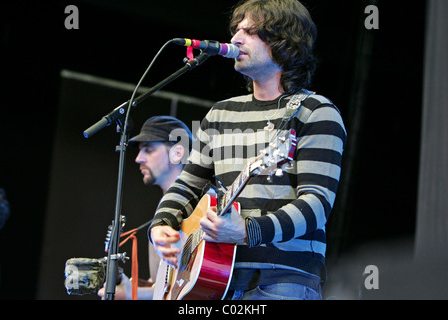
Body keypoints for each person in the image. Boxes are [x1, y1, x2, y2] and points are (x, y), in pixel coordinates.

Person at [149, 0, 347, 300]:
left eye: (251, 31)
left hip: (283, 280)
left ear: (284, 43)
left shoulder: (316, 112)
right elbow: (186, 186)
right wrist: (160, 225)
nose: (236, 38)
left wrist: (247, 231)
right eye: (236, 29)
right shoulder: (220, 114)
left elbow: (316, 205)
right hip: (215, 279)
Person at [98, 115, 194, 300]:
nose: (138, 159)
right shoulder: (162, 208)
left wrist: (129, 296)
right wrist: (128, 287)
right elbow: (159, 286)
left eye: (148, 150)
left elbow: (190, 288)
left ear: (178, 153)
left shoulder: (202, 205)